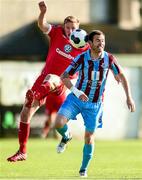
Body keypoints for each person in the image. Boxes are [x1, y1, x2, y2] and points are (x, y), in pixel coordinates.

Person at [7, 1, 89, 162]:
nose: (71, 31)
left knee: (52, 79)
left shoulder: (85, 46)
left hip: (62, 83)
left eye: (74, 28)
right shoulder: (57, 33)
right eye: (68, 28)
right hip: (44, 78)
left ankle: (34, 95)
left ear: (79, 29)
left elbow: (95, 58)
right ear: (64, 27)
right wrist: (43, 12)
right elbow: (42, 25)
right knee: (25, 113)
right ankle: (23, 151)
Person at [54, 30, 136, 177]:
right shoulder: (81, 58)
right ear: (90, 43)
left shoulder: (109, 59)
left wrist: (129, 97)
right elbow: (64, 76)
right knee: (58, 123)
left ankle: (83, 169)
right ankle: (66, 137)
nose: (101, 43)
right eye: (98, 40)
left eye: (103, 40)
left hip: (94, 104)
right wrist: (77, 92)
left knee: (89, 137)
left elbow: (121, 75)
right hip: (76, 99)